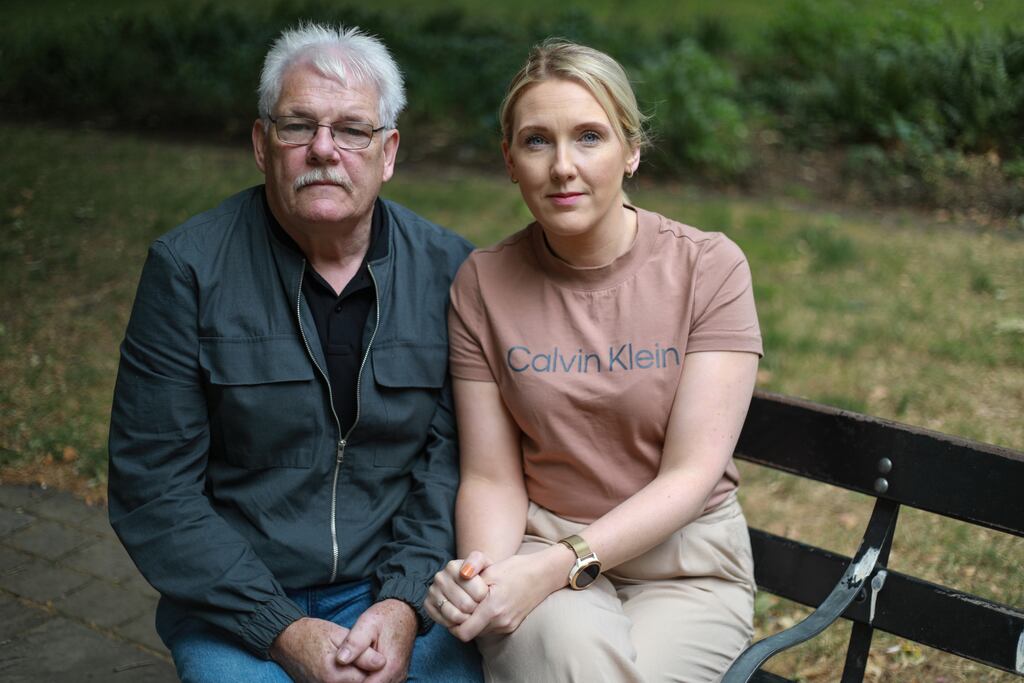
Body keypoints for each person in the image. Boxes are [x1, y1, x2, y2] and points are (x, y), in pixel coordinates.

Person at [108, 23, 482, 682]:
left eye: (352, 129)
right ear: (261, 143)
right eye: (297, 125)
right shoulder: (188, 270)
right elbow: (154, 489)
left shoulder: (451, 271)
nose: (323, 149)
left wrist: (401, 603)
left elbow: (450, 464)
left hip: (400, 589)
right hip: (237, 604)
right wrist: (282, 628)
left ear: (388, 151)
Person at [426, 39, 762, 682]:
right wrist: (484, 575)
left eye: (589, 137)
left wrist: (551, 568)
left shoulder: (708, 268)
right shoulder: (483, 284)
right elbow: (493, 477)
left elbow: (690, 476)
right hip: (538, 548)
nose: (561, 167)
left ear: (631, 151)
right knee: (573, 663)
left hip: (685, 566)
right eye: (536, 141)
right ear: (509, 160)